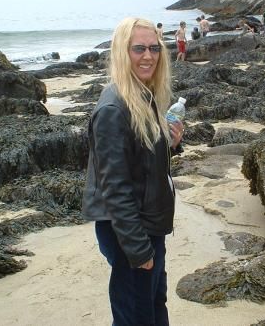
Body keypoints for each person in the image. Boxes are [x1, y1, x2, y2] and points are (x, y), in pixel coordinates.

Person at [82, 17, 184, 326]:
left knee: (153, 306)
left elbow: (142, 163)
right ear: (122, 52)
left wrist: (172, 145)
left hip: (149, 222)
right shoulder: (113, 109)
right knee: (136, 317)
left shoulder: (144, 94)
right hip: (129, 230)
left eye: (154, 48)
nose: (149, 56)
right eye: (138, 48)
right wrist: (139, 250)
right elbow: (115, 188)